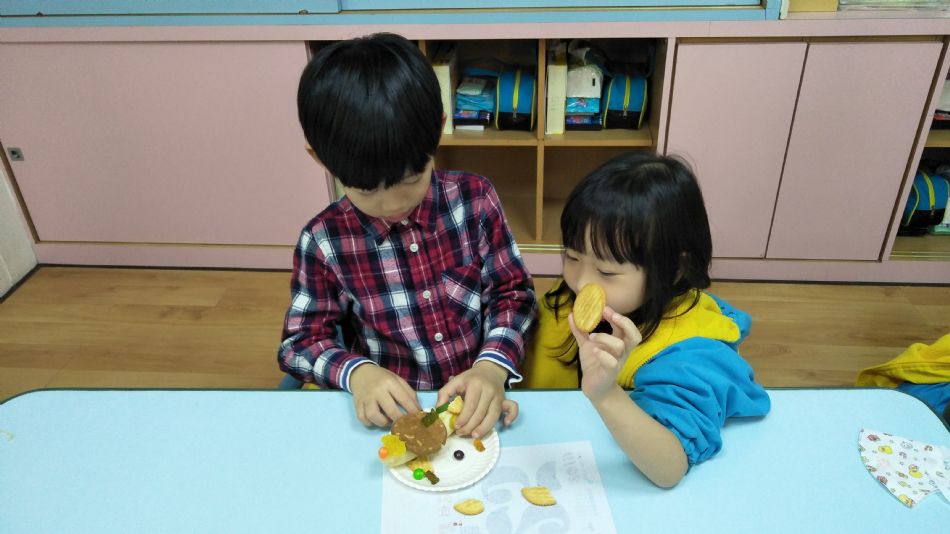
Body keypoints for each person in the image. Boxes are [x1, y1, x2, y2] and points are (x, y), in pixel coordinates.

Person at [278, 33, 535, 439]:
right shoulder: (323, 241)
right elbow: (300, 341)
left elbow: (514, 294)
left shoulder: (475, 200)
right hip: (390, 416)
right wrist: (357, 373)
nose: (392, 204)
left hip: (477, 401)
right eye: (366, 190)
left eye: (412, 178)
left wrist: (491, 367)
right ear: (319, 158)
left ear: (439, 130)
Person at [522, 151, 770, 487]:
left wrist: (606, 394)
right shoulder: (581, 293)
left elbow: (669, 467)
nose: (581, 283)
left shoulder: (692, 354)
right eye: (572, 256)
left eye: (606, 271)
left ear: (674, 269)